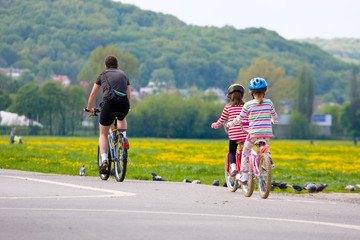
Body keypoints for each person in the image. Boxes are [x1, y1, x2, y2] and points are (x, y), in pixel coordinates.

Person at [227, 77, 278, 184]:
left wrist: (230, 123)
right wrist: (273, 120)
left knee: (246, 152)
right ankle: (268, 157)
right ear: (265, 91)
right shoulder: (269, 103)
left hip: (253, 134)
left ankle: (244, 176)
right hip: (266, 133)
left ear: (250, 92)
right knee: (262, 144)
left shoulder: (248, 104)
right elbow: (274, 116)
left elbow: (239, 118)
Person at [86, 55, 131, 173]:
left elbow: (92, 95)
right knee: (122, 117)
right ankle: (124, 139)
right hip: (123, 104)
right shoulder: (124, 75)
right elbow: (128, 95)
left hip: (108, 105)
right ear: (118, 65)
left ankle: (105, 160)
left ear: (106, 66)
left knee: (103, 134)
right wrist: (127, 108)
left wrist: (89, 108)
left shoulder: (102, 75)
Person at [211, 84, 248, 177]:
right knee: (247, 151)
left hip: (234, 135)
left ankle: (234, 168)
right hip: (245, 134)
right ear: (242, 95)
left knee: (232, 151)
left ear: (230, 96)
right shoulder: (246, 106)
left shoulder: (228, 107)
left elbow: (221, 120)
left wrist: (215, 125)